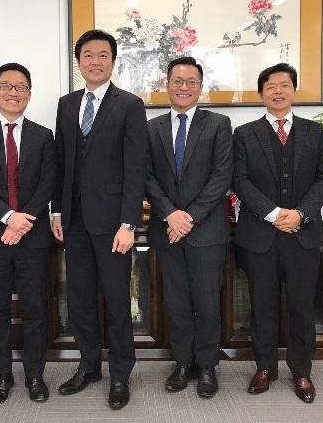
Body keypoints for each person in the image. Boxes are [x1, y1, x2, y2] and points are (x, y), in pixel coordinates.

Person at [51, 29, 147, 409]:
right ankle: (89, 366)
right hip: (74, 221)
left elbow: (135, 168)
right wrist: (57, 210)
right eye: (88, 55)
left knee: (117, 300)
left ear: (113, 61)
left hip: (113, 225)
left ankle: (120, 374)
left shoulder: (130, 105)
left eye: (103, 55)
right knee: (80, 300)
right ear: (79, 62)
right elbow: (61, 163)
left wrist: (129, 223)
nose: (95, 61)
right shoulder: (66, 104)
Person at [231, 63, 323, 404]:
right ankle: (265, 367)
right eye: (270, 86)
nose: (277, 91)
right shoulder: (244, 134)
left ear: (293, 90)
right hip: (259, 236)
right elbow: (239, 180)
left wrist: (300, 214)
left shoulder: (314, 132)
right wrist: (275, 214)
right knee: (262, 304)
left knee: (302, 306)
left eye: (284, 85)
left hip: (302, 234)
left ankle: (301, 371)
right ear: (261, 93)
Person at [0, 63, 56, 404]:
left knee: (35, 308)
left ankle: (34, 374)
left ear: (29, 94)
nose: (13, 92)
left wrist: (22, 222)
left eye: (20, 87)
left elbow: (48, 182)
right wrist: (7, 217)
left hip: (32, 236)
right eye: (6, 86)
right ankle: (2, 375)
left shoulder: (43, 135)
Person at [145, 56, 233, 398]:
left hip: (206, 230)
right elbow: (146, 176)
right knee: (177, 302)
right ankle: (182, 363)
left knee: (208, 303)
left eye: (191, 82)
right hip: (168, 230)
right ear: (167, 85)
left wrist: (189, 217)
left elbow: (221, 176)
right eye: (177, 81)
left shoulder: (219, 124)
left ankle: (207, 366)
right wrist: (171, 214)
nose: (184, 87)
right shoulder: (151, 127)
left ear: (200, 87)